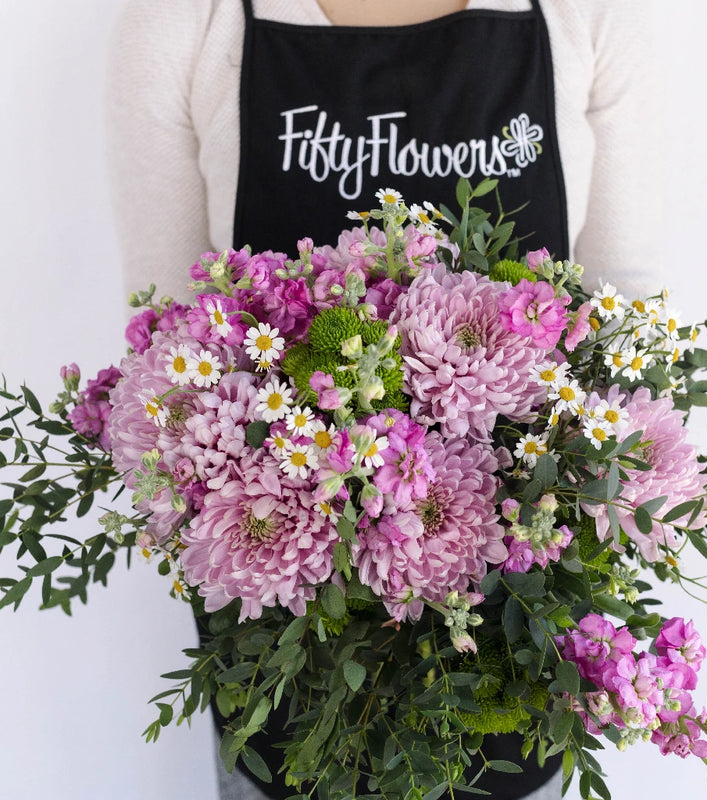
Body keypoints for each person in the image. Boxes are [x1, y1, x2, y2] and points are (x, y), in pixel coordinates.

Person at [105, 2, 659, 798]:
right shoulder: (184, 23)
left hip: (508, 646)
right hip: (292, 653)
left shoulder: (590, 15)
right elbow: (168, 364)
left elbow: (625, 345)